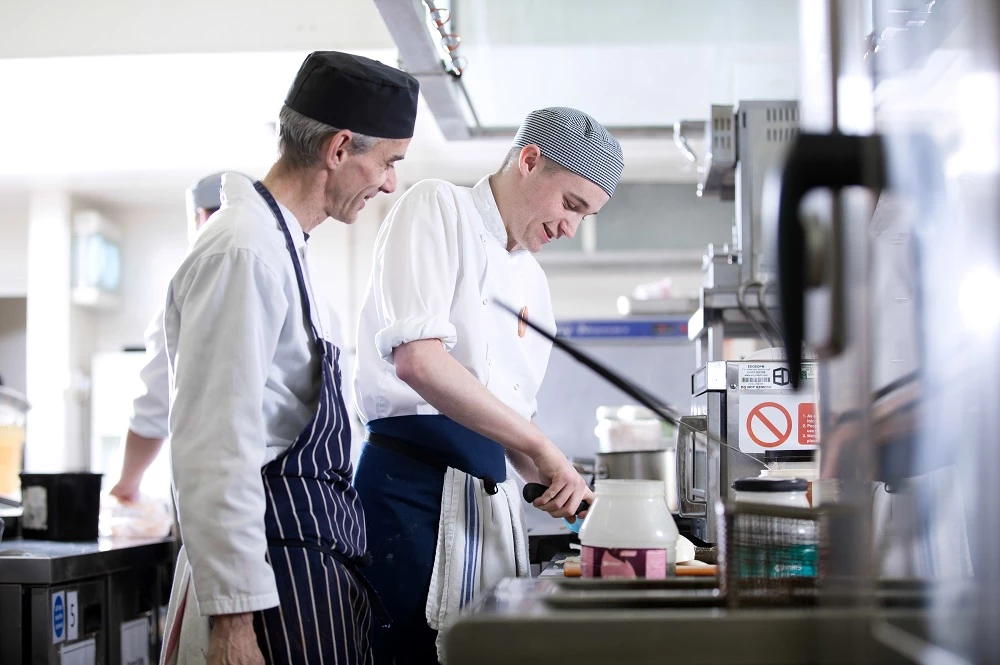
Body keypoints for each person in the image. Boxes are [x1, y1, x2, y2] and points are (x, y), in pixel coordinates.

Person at [160, 51, 419, 665]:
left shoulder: (284, 247)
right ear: (339, 148)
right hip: (267, 582)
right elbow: (215, 448)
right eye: (387, 162)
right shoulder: (242, 252)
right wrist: (232, 624)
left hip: (302, 566)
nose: (389, 183)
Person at [352, 107, 624, 663]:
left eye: (586, 215)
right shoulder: (437, 206)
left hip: (486, 503)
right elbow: (419, 363)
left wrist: (556, 479)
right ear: (528, 161)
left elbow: (505, 423)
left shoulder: (536, 284)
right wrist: (541, 447)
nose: (571, 227)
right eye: (571, 204)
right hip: (409, 496)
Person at [109, 173, 227, 504]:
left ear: (201, 217)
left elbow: (154, 404)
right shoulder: (301, 283)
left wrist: (126, 486)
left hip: (220, 498)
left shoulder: (190, 287)